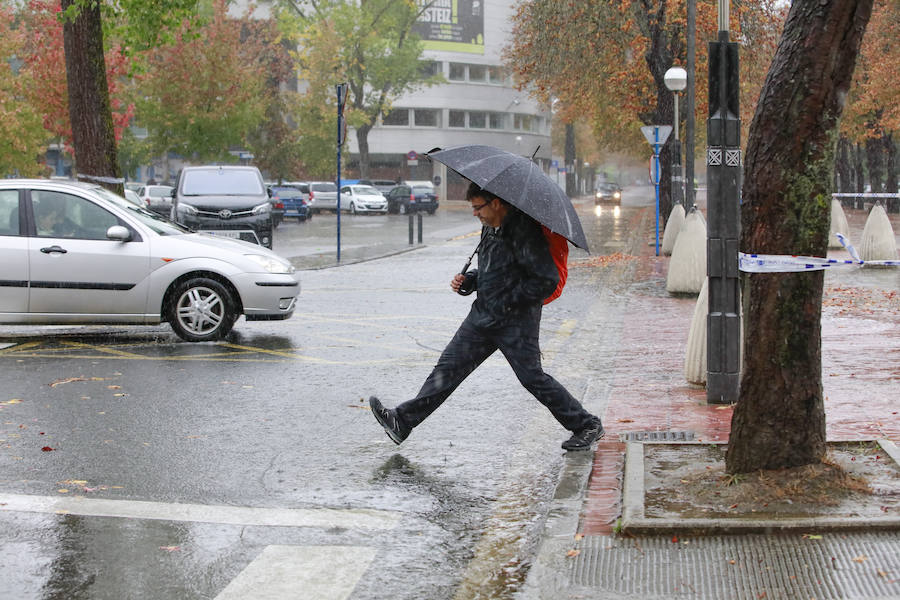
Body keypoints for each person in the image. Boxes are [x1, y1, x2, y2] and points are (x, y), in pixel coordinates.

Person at [369, 181, 604, 451]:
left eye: (478, 207)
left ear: (496, 203)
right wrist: (470, 281)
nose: (474, 213)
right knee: (447, 369)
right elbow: (493, 271)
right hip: (483, 317)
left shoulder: (525, 233)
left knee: (532, 379)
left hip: (516, 321)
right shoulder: (490, 228)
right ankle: (402, 421)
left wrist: (509, 299)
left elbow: (546, 280)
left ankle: (587, 424)